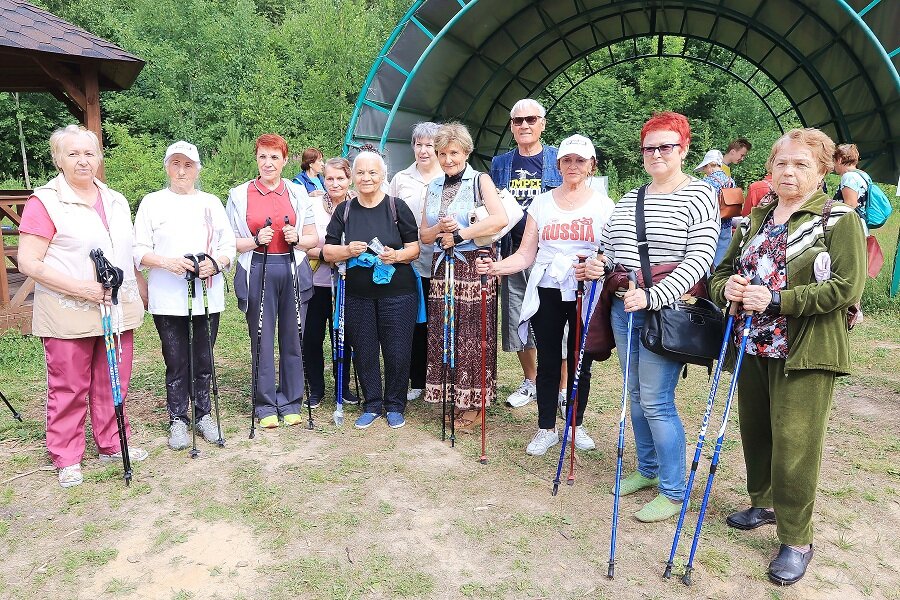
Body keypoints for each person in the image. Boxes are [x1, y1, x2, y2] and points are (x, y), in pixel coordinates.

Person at [710, 128, 865, 585]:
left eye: (801, 164)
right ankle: (763, 502)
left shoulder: (838, 220)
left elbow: (845, 288)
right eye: (782, 163)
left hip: (805, 349)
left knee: (796, 444)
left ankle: (797, 538)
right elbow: (721, 272)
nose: (789, 172)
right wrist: (729, 290)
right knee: (756, 430)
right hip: (751, 344)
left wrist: (776, 301)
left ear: (821, 171)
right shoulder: (758, 216)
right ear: (770, 168)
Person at [587, 112, 719, 522]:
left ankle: (674, 490)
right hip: (624, 309)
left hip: (663, 313)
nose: (657, 153)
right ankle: (647, 470)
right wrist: (597, 264)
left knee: (658, 402)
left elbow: (700, 259)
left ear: (683, 150)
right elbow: (609, 248)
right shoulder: (631, 197)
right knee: (636, 397)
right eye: (650, 147)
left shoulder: (699, 196)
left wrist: (654, 296)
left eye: (666, 146)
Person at [18, 125, 148, 487]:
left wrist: (140, 290)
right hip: (67, 311)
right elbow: (29, 262)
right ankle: (67, 455)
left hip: (116, 309)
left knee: (113, 382)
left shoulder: (116, 200)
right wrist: (81, 289)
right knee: (69, 386)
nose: (82, 160)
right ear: (58, 158)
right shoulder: (44, 202)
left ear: (99, 157)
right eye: (73, 153)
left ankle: (111, 442)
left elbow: (127, 252)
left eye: (89, 153)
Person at [478, 134, 612, 453]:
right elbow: (527, 252)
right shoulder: (542, 202)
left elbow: (613, 253)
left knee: (581, 360)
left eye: (581, 160)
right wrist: (496, 268)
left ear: (592, 165)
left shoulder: (604, 205)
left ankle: (575, 425)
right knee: (549, 359)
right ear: (559, 164)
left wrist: (599, 264)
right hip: (547, 289)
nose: (573, 166)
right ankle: (546, 427)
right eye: (567, 160)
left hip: (584, 290)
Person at [133, 141, 236, 450]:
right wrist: (167, 262)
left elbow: (228, 245)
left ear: (197, 169)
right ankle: (178, 417)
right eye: (175, 164)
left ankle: (204, 414)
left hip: (206, 295)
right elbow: (138, 249)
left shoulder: (211, 202)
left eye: (188, 165)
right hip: (167, 296)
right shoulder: (152, 202)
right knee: (175, 360)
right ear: (167, 167)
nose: (181, 170)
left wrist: (215, 264)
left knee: (204, 357)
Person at [226, 134, 318, 428]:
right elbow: (228, 242)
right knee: (262, 340)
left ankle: (291, 400)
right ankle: (265, 404)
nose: (268, 163)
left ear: (285, 160)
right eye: (263, 156)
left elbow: (314, 238)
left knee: (293, 337)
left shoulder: (297, 193)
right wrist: (254, 240)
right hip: (257, 268)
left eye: (274, 157)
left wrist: (298, 238)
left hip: (292, 268)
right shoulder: (239, 195)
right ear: (256, 158)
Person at [323, 149, 420, 429]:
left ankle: (395, 405)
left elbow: (414, 248)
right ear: (353, 177)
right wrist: (346, 250)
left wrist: (397, 255)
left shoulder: (396, 206)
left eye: (372, 172)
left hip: (398, 293)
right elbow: (328, 251)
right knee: (364, 350)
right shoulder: (346, 210)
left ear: (383, 176)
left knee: (398, 350)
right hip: (358, 294)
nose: (366, 178)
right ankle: (372, 404)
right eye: (361, 172)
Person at [420, 123, 507, 430]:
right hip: (442, 267)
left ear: (466, 152)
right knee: (446, 333)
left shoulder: (479, 180)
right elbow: (424, 234)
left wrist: (460, 234)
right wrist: (440, 230)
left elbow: (499, 219)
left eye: (453, 153)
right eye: (442, 153)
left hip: (473, 264)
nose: (447, 160)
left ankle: (475, 402)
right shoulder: (432, 186)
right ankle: (453, 395)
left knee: (473, 334)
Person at [489, 98, 563, 408]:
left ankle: (559, 389)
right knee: (518, 318)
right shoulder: (500, 164)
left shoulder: (559, 159)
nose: (525, 125)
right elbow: (491, 210)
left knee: (555, 322)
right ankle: (530, 380)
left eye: (531, 119)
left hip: (549, 254)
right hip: (512, 251)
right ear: (511, 127)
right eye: (518, 121)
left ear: (543, 124)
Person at [388, 122, 443, 401]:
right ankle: (418, 379)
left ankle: (443, 378)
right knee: (417, 323)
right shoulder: (401, 179)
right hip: (412, 262)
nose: (423, 150)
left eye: (429, 145)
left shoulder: (449, 176)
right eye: (418, 144)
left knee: (442, 321)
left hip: (444, 261)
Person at [302, 157, 359, 408]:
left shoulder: (358, 205)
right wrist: (328, 254)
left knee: (343, 336)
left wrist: (343, 254)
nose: (335, 184)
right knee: (312, 337)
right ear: (322, 179)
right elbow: (304, 245)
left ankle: (342, 386)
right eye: (330, 178)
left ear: (350, 179)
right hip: (316, 282)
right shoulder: (312, 204)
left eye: (340, 178)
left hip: (348, 283)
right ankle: (315, 388)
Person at [695, 149, 738, 268]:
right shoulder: (730, 181)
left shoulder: (707, 182)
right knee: (722, 260)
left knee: (707, 260)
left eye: (705, 167)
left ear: (710, 165)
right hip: (727, 223)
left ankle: (709, 283)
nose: (704, 170)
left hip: (710, 225)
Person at [833, 143, 871, 220]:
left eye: (834, 161)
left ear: (839, 160)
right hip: (861, 221)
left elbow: (850, 206)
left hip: (851, 225)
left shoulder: (849, 177)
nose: (833, 165)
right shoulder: (863, 175)